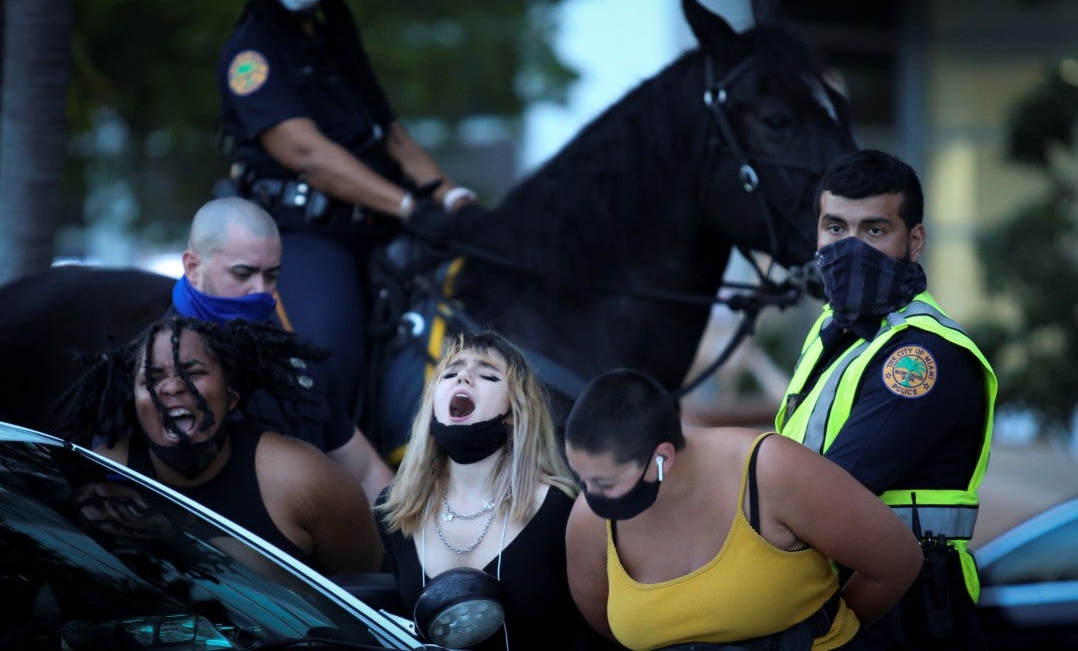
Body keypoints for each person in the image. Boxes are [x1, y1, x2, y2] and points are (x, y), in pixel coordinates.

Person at [217, 0, 479, 431]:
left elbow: (392, 134)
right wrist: (409, 206)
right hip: (309, 235)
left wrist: (454, 199)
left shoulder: (336, 41)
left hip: (380, 227)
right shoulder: (249, 56)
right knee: (326, 368)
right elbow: (308, 154)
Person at [775, 149, 997, 649]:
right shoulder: (833, 332)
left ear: (913, 241)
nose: (849, 248)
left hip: (908, 614)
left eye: (874, 231)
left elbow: (826, 492)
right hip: (836, 597)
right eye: (835, 228)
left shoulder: (921, 356)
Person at [565, 367, 924, 651]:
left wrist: (819, 634)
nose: (590, 494)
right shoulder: (591, 520)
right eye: (582, 478)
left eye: (605, 483)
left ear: (662, 458)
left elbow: (896, 561)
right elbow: (604, 625)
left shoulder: (771, 469)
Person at [56, 315, 383, 577]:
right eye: (152, 379)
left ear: (231, 396)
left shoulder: (305, 480)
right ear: (134, 402)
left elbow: (370, 589)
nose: (171, 387)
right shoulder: (99, 476)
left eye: (193, 372)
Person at [375, 331, 605, 651]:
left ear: (514, 414)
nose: (464, 378)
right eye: (451, 373)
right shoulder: (394, 509)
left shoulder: (557, 510)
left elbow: (597, 631)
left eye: (487, 375)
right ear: (432, 405)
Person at [172, 196, 394, 503]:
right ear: (193, 268)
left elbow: (367, 472)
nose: (261, 292)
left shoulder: (298, 360)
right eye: (242, 274)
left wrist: (411, 539)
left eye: (272, 275)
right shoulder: (155, 367)